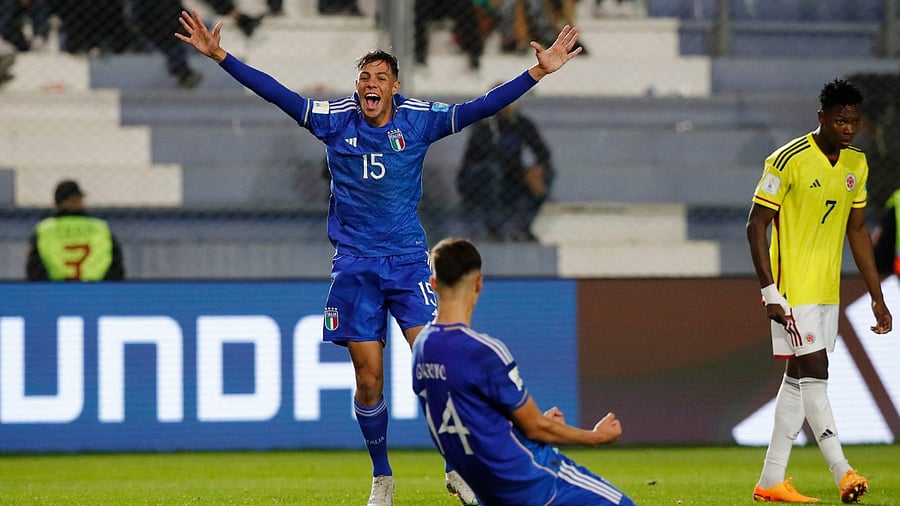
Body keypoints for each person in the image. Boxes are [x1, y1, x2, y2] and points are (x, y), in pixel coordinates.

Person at [175, 9, 582, 506]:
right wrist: (221, 57)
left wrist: (537, 72)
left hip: (410, 263)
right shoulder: (335, 120)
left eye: (380, 78)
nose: (370, 83)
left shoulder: (418, 120)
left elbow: (481, 107)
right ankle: (382, 477)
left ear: (394, 87)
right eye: (364, 76)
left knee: (440, 366)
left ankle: (458, 468)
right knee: (368, 379)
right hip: (355, 265)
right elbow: (277, 94)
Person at [746, 78, 892, 504]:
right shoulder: (787, 159)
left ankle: (771, 480)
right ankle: (843, 472)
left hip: (826, 290)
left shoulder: (856, 165)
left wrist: (876, 294)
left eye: (854, 122)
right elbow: (755, 226)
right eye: (840, 120)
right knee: (816, 375)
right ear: (822, 118)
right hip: (792, 290)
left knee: (797, 382)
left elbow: (859, 230)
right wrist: (769, 290)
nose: (848, 128)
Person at [412, 237, 636, 506]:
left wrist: (527, 425)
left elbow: (466, 422)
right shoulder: (484, 351)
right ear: (479, 283)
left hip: (488, 492)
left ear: (434, 284)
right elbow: (536, 429)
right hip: (535, 483)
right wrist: (597, 436)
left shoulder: (422, 348)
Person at [457, 97, 552, 241]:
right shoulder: (484, 125)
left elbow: (543, 153)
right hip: (479, 178)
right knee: (492, 171)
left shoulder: (521, 123)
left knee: (548, 173)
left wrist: (536, 170)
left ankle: (523, 227)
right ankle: (493, 228)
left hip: (511, 175)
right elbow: (488, 155)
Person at [26, 180, 125, 281]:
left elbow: (35, 269)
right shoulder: (99, 228)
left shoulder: (45, 229)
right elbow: (116, 266)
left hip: (57, 291)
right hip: (95, 291)